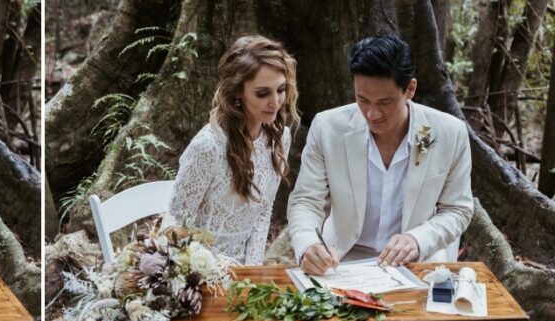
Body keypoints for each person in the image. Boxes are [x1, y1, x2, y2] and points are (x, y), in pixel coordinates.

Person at [288, 33, 473, 275]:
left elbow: (457, 209)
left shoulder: (448, 132)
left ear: (410, 89)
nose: (372, 113)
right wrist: (307, 245)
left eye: (385, 102)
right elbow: (306, 200)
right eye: (362, 99)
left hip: (416, 260)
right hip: (340, 258)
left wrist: (417, 240)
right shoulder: (327, 127)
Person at [166, 36, 298, 265]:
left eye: (281, 89)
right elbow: (176, 225)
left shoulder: (280, 138)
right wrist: (206, 274)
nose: (276, 102)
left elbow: (262, 214)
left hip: (244, 273)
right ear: (238, 91)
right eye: (262, 93)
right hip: (196, 271)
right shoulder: (209, 146)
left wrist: (251, 272)